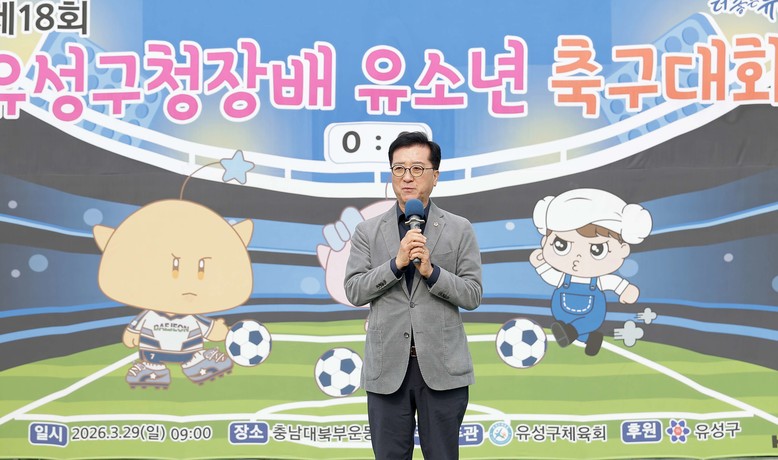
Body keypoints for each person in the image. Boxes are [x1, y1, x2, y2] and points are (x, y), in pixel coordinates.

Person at [344, 131, 483, 459]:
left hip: (443, 369)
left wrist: (432, 272)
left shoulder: (459, 228)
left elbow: (472, 294)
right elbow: (355, 290)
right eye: (399, 168)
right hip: (387, 369)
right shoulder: (367, 231)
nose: (407, 177)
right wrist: (396, 265)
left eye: (417, 169)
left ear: (435, 176)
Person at [529, 188, 652, 356]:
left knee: (587, 322)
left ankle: (573, 333)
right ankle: (590, 338)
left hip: (592, 310)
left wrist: (625, 289)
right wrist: (540, 265)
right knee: (568, 325)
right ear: (545, 242)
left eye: (597, 249)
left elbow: (613, 282)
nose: (578, 257)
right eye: (561, 245)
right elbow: (550, 276)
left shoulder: (599, 281)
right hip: (562, 312)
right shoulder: (563, 278)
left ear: (623, 249)